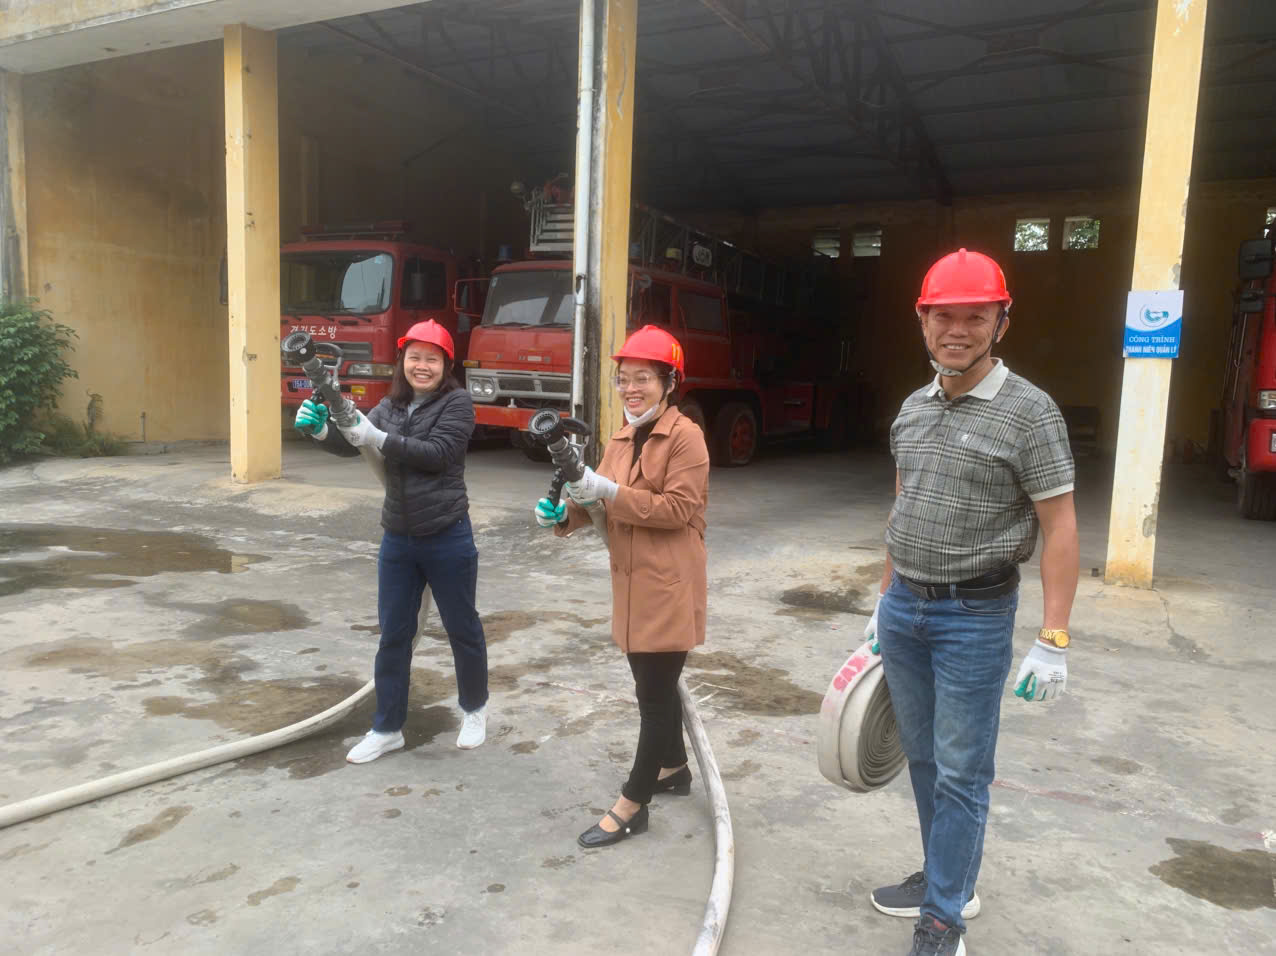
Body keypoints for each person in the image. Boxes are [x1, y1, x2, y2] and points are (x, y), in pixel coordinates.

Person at [863, 250, 1079, 956]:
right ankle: (947, 880)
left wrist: (1053, 637)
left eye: (975, 317)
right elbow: (904, 506)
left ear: (1001, 322)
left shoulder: (1030, 413)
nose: (957, 330)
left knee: (962, 772)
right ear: (922, 321)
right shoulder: (912, 408)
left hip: (974, 618)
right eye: (944, 316)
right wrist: (884, 597)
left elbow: (1060, 527)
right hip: (905, 610)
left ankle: (943, 921)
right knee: (923, 759)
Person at [533, 325, 709, 849]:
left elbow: (678, 508)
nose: (631, 389)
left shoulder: (686, 437)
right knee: (652, 688)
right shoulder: (620, 438)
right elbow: (596, 502)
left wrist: (606, 489)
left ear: (669, 382)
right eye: (623, 379)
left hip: (668, 585)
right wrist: (564, 515)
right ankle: (673, 768)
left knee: (653, 700)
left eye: (643, 378)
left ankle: (633, 804)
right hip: (631, 585)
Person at [294, 319, 489, 763]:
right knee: (394, 634)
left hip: (447, 533)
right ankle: (386, 728)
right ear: (402, 361)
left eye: (432, 359)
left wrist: (377, 436)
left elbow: (438, 454)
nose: (422, 366)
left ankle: (474, 709)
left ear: (446, 365)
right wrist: (321, 431)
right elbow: (355, 442)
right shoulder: (390, 404)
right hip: (399, 539)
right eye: (414, 357)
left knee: (462, 627)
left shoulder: (458, 404)